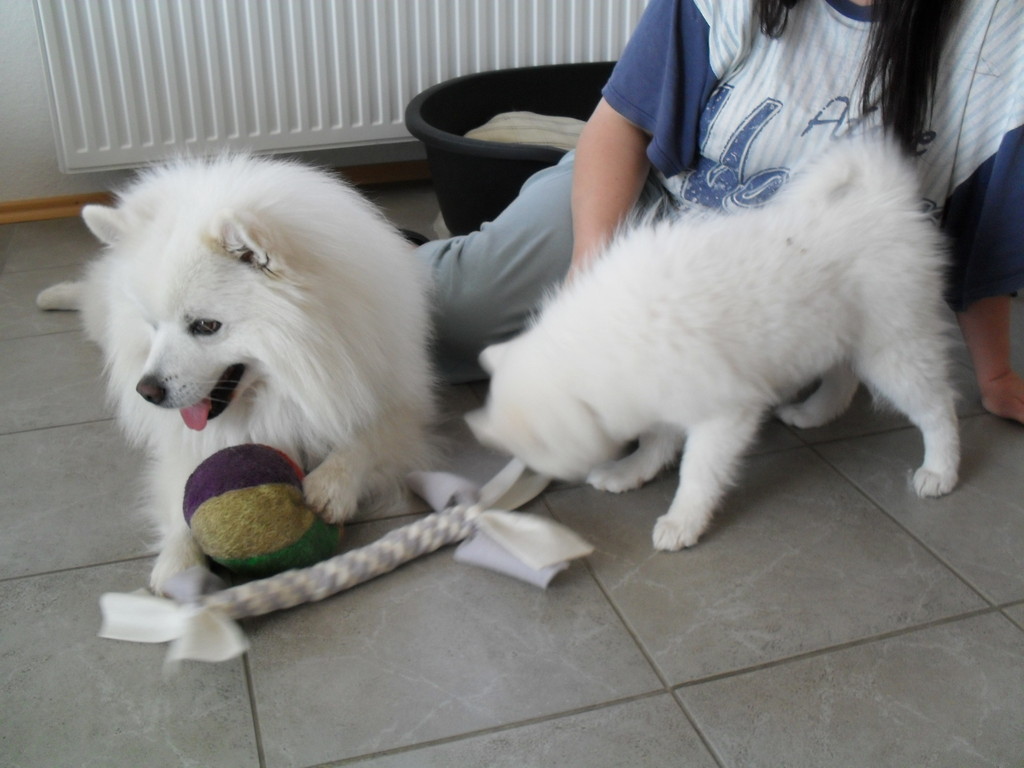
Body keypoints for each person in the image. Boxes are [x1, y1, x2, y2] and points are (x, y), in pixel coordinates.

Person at [415, 0, 1024, 425]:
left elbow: (983, 216)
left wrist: (995, 376)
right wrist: (590, 277)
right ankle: (416, 257)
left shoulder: (997, 26)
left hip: (779, 290)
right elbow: (621, 123)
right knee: (447, 311)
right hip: (649, 202)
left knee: (662, 414)